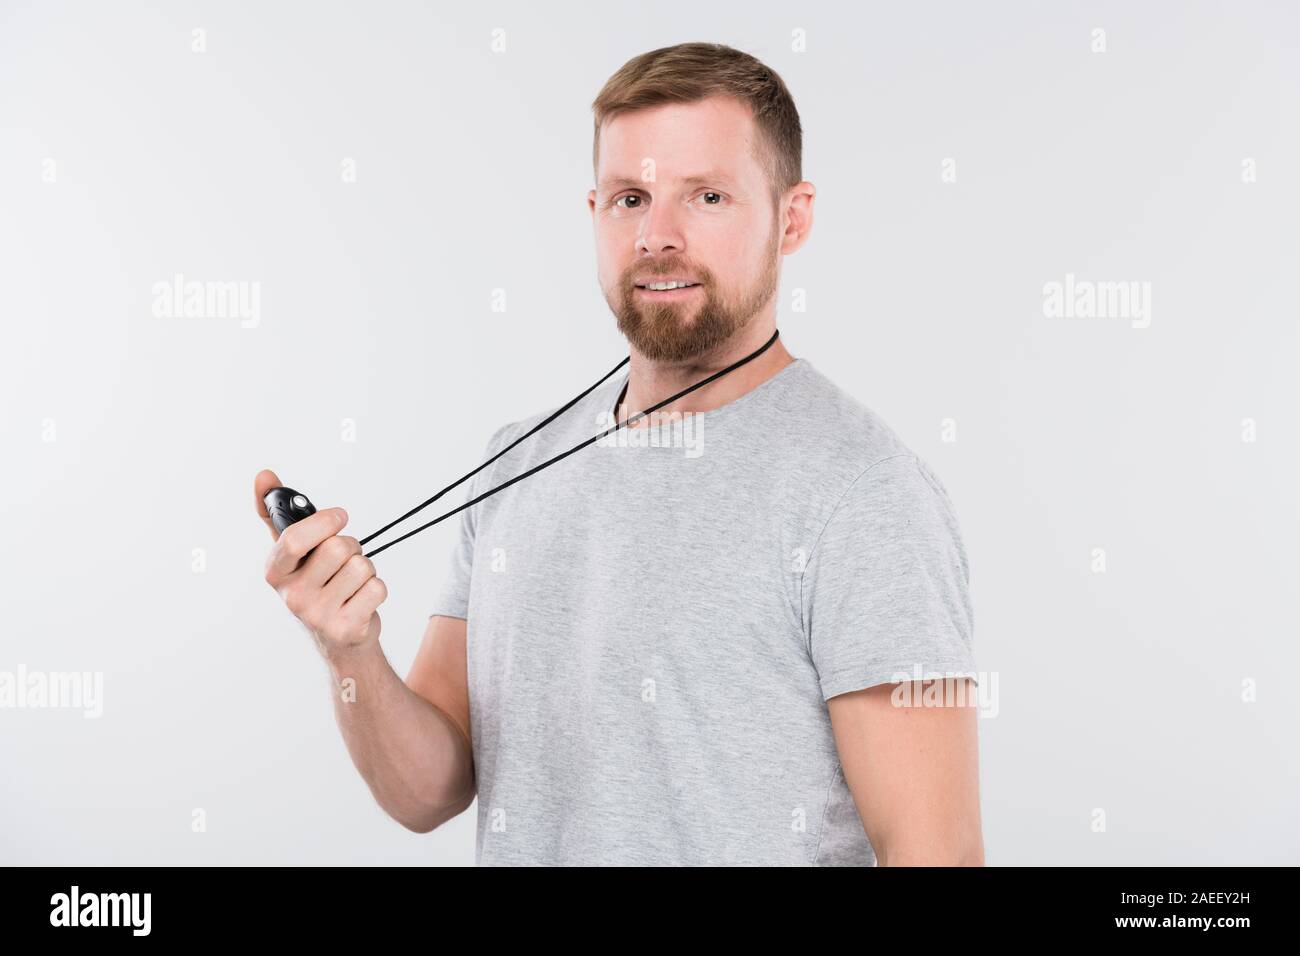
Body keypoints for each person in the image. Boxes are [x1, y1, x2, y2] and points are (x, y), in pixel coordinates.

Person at [255, 42, 983, 866]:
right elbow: (428, 791)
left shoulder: (864, 493)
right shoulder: (513, 466)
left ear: (793, 217)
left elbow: (938, 855)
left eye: (707, 195)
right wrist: (349, 649)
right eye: (630, 198)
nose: (657, 236)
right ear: (594, 210)